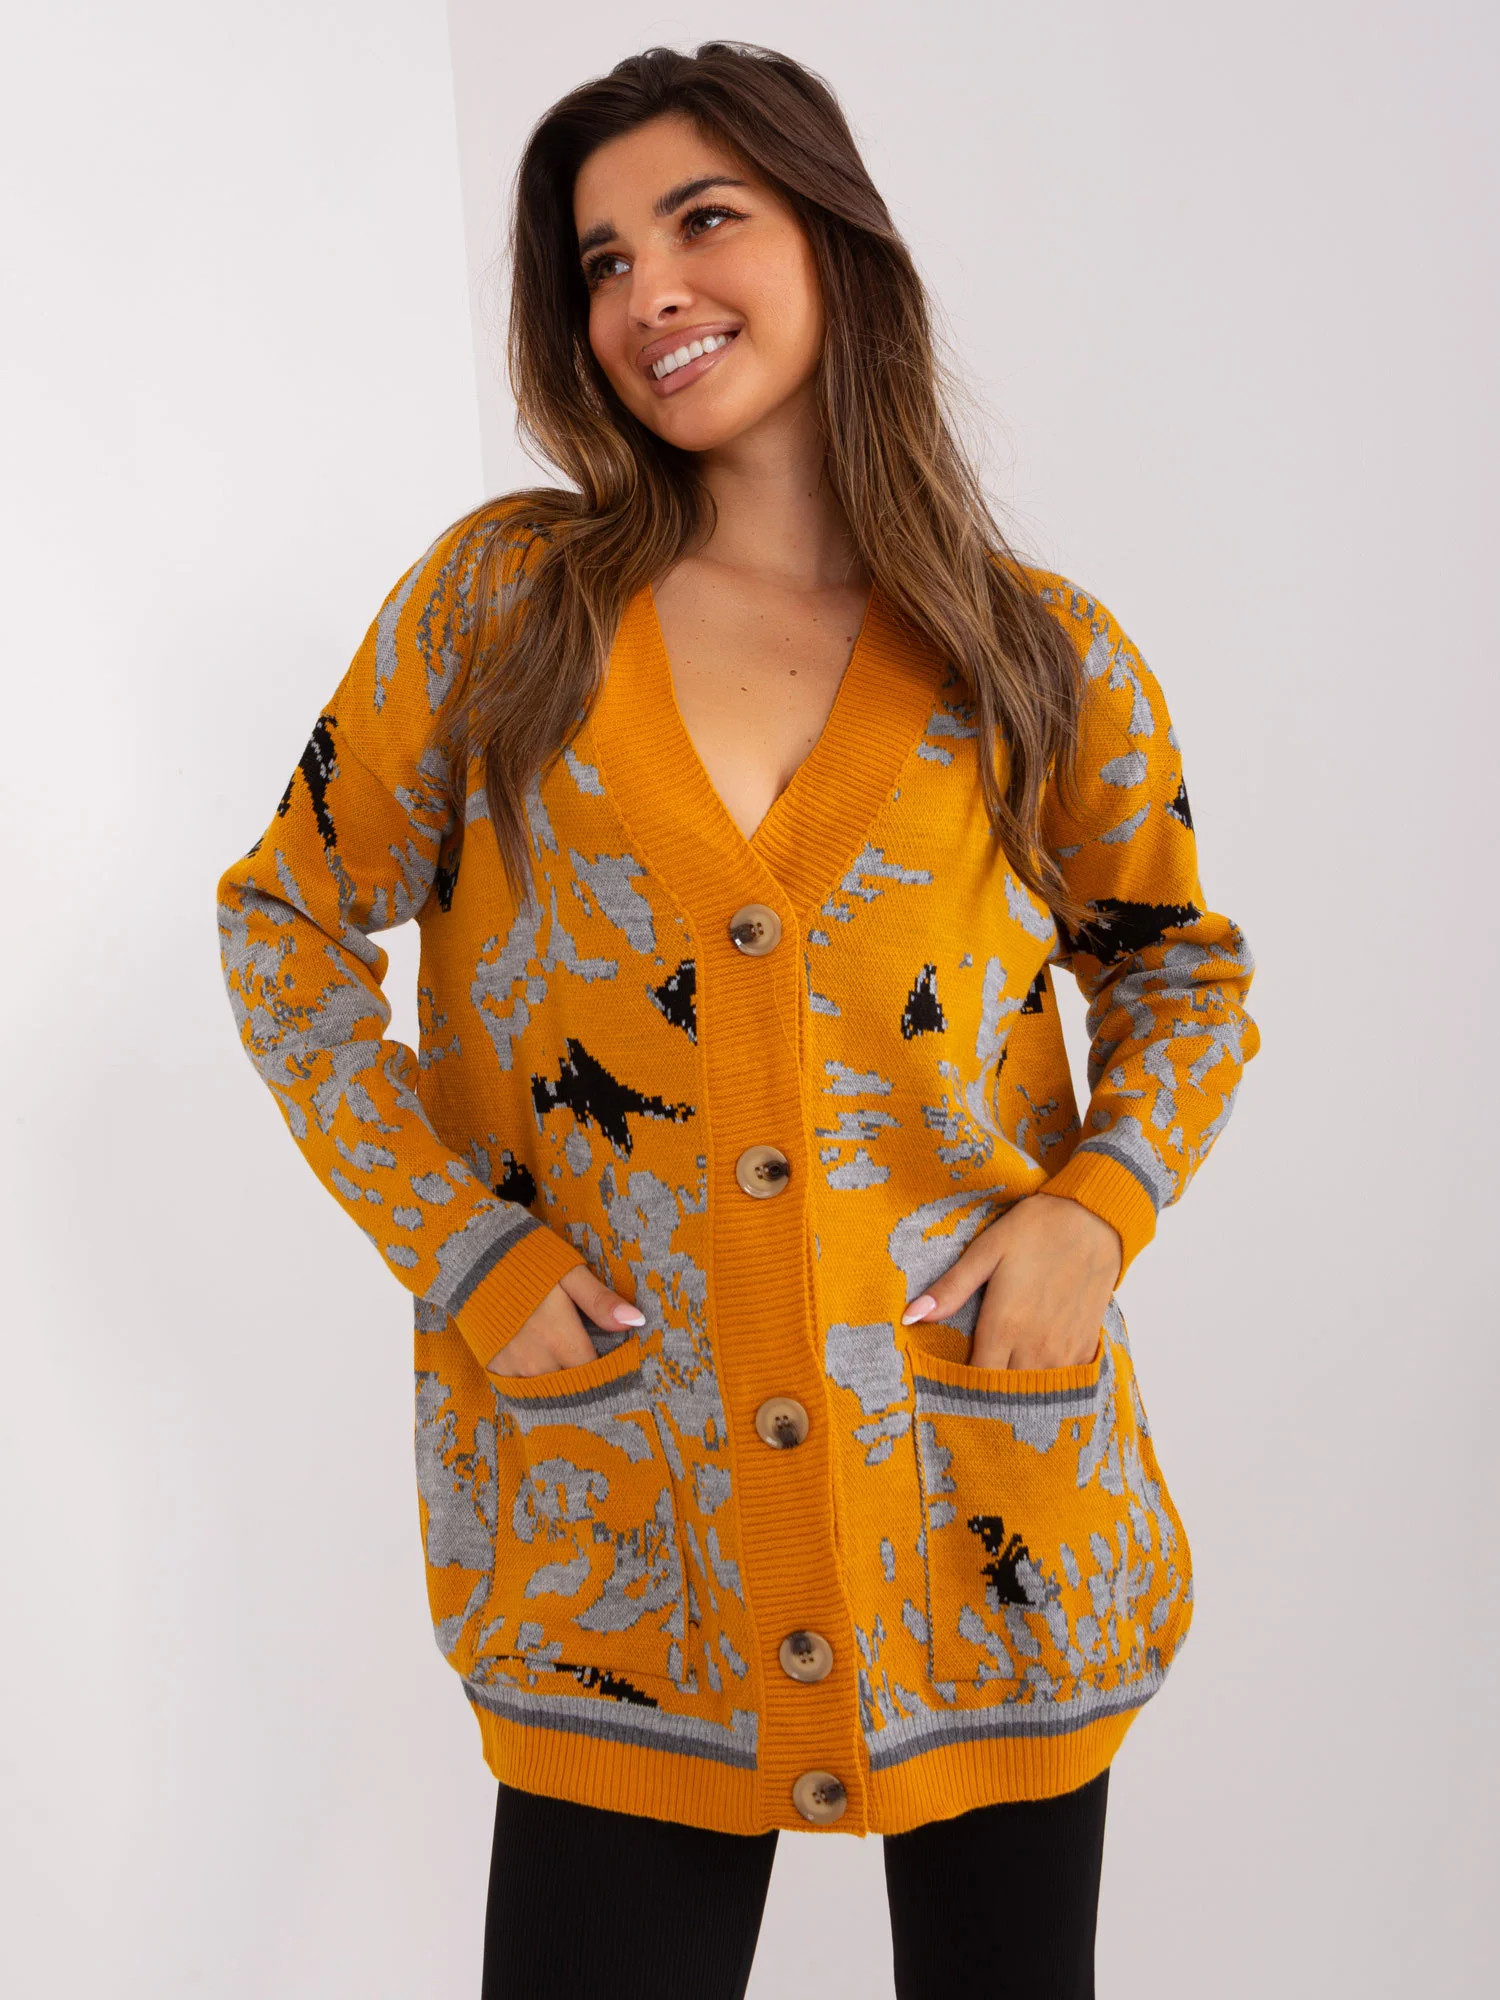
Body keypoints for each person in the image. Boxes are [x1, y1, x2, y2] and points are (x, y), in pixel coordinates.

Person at [215, 39, 1261, 2000]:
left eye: (704, 221)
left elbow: (1180, 969)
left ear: (833, 237)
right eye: (602, 261)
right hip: (625, 1535)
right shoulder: (502, 612)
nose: (649, 293)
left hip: (984, 1499)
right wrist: (462, 1246)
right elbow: (284, 929)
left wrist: (1094, 1211)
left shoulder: (1033, 654)